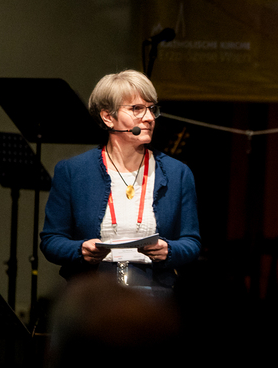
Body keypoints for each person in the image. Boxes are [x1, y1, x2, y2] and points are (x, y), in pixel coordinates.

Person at [40, 69, 200, 289]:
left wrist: (169, 250)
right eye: (136, 109)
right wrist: (80, 250)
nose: (149, 118)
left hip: (155, 292)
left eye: (151, 109)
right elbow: (51, 240)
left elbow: (192, 242)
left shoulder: (177, 173)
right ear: (108, 117)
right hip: (93, 291)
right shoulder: (72, 171)